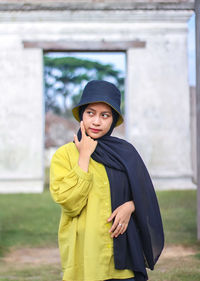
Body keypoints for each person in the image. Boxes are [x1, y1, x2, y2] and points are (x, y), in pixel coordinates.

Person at [50, 80, 164, 281]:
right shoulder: (65, 155)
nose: (96, 122)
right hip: (86, 257)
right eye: (90, 113)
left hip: (124, 255)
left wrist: (131, 205)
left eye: (105, 115)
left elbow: (144, 193)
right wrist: (84, 156)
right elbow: (70, 203)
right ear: (81, 116)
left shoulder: (126, 153)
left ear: (113, 120)